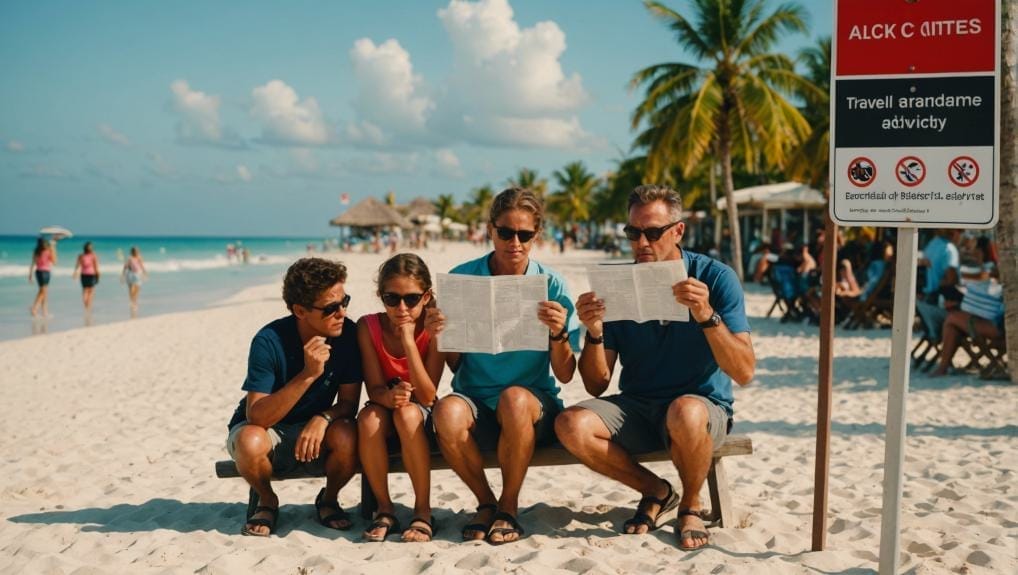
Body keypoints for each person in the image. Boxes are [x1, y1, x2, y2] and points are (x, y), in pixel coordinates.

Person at [556, 184, 755, 551]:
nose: (641, 243)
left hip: (701, 409)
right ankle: (657, 491)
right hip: (639, 406)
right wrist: (595, 333)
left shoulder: (714, 277)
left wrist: (706, 315)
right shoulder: (618, 284)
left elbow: (743, 371)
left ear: (678, 230)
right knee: (570, 424)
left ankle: (692, 506)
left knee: (684, 410)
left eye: (652, 232)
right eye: (633, 233)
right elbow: (596, 385)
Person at [426, 187, 578, 545]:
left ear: (536, 235)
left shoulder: (552, 284)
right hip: (476, 399)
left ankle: (508, 506)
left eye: (525, 235)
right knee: (445, 412)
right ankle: (486, 501)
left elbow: (568, 373)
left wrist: (558, 333)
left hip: (532, 405)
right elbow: (455, 364)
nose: (515, 243)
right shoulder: (463, 278)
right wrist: (441, 335)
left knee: (513, 398)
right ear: (490, 229)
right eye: (505, 232)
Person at [224, 258, 362, 536]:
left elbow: (348, 403)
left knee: (348, 433)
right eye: (331, 308)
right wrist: (308, 375)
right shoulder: (269, 340)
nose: (342, 313)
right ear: (300, 310)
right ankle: (267, 499)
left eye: (344, 301)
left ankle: (329, 498)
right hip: (266, 428)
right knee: (249, 441)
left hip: (317, 427)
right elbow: (257, 416)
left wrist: (323, 418)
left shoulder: (348, 335)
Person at [357, 254, 445, 542]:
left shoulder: (435, 329)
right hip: (386, 403)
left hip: (419, 411)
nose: (402, 308)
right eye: (391, 299)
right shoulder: (368, 326)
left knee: (407, 414)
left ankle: (422, 511)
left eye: (411, 298)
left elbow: (429, 395)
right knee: (368, 418)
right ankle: (384, 508)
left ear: (427, 296)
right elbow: (373, 388)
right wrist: (389, 396)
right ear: (381, 297)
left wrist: (409, 340)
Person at [28, 237, 57, 317]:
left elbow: (33, 263)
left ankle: (44, 312)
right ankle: (34, 308)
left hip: (38, 272)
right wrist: (54, 248)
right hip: (45, 272)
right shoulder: (48, 250)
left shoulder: (36, 251)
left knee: (44, 292)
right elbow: (55, 262)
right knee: (43, 292)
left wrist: (30, 275)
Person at [72, 241, 100, 314]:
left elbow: (77, 265)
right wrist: (98, 276)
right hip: (92, 274)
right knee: (91, 291)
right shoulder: (94, 256)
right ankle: (89, 307)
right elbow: (96, 267)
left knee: (84, 291)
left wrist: (75, 272)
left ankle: (86, 307)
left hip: (83, 275)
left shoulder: (81, 256)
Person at [120, 246, 148, 316]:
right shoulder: (129, 258)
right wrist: (123, 275)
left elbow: (142, 265)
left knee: (137, 290)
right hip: (130, 274)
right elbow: (125, 266)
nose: (137, 252)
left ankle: (135, 302)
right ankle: (132, 302)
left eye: (137, 251)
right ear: (132, 251)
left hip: (138, 274)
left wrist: (145, 273)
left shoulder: (139, 257)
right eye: (135, 251)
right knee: (131, 289)